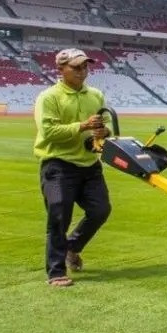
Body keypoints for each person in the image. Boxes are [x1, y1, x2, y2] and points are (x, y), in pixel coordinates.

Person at [33, 48, 112, 287]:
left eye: (85, 66)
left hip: (89, 165)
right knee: (58, 216)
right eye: (76, 67)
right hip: (58, 165)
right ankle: (56, 272)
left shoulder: (95, 95)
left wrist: (103, 131)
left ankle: (72, 247)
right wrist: (83, 126)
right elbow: (49, 133)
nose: (82, 71)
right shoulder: (49, 98)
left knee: (100, 210)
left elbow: (108, 126)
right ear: (60, 69)